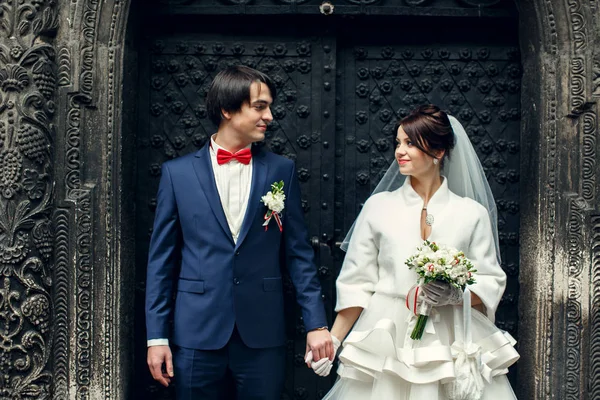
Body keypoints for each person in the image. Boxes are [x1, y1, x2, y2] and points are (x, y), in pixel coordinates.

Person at [145, 65, 334, 400]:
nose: (269, 117)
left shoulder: (281, 170)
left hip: (262, 332)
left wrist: (317, 325)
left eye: (269, 107)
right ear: (227, 109)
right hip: (196, 334)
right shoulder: (177, 175)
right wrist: (156, 338)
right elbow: (161, 262)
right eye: (260, 106)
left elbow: (299, 255)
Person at [307, 105, 519, 399]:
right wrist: (334, 339)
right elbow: (358, 281)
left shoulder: (471, 213)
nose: (399, 152)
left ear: (438, 152)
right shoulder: (378, 207)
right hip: (387, 337)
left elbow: (490, 279)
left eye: (410, 143)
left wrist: (457, 295)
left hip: (449, 338)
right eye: (398, 143)